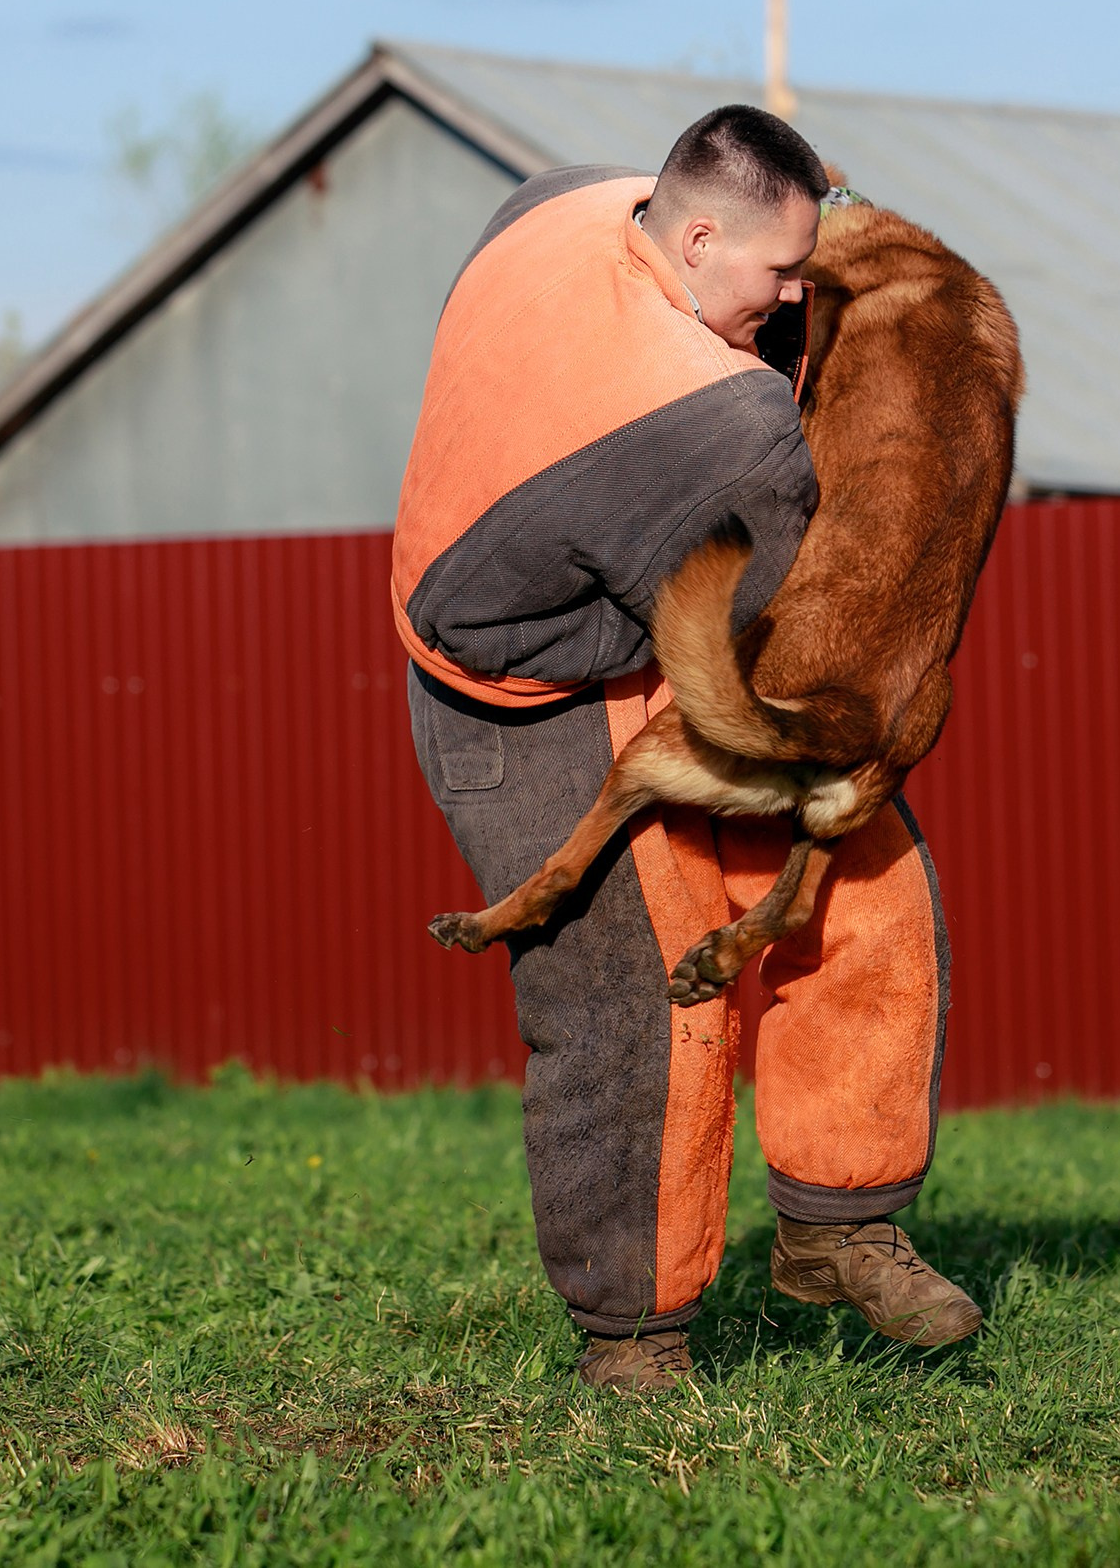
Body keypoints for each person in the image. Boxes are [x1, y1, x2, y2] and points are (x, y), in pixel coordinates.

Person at [392, 105, 980, 1394]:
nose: (795, 293)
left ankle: (841, 1228)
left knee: (870, 894)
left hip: (581, 594)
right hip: (521, 691)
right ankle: (634, 1333)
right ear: (700, 231)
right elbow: (766, 615)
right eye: (780, 274)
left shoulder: (559, 204)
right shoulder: (723, 420)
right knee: (633, 999)